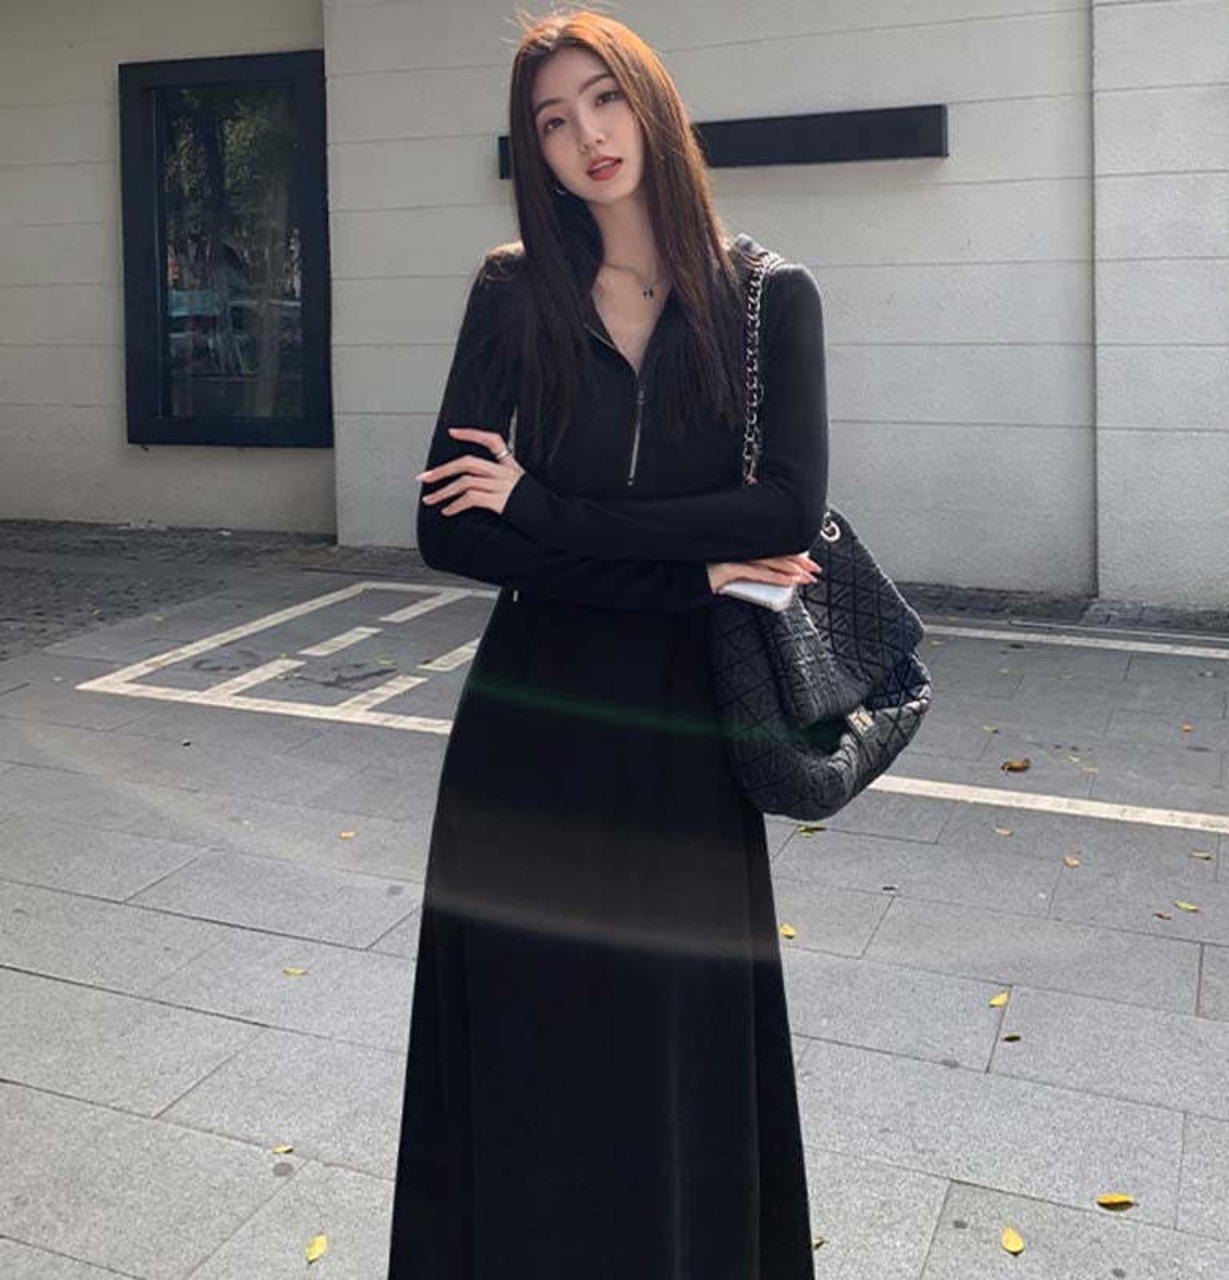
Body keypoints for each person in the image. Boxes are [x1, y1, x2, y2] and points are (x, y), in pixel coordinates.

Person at [387, 10, 829, 1277]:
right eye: (551, 119)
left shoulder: (768, 298)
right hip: (527, 728)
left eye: (603, 99)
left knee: (671, 1044)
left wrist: (547, 513)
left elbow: (782, 512)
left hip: (687, 735)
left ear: (651, 105)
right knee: (525, 1044)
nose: (584, 133)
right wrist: (688, 565)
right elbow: (450, 533)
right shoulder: (509, 292)